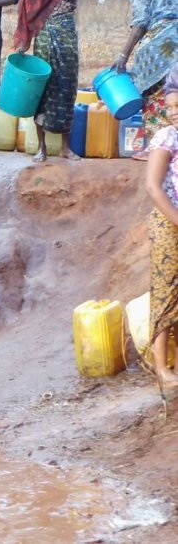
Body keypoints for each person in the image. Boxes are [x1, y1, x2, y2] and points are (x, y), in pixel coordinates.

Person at [14, 0, 87, 163]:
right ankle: (42, 148)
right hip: (44, 36)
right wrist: (23, 42)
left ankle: (66, 148)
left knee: (66, 87)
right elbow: (27, 11)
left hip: (66, 37)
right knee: (43, 89)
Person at [115, 0, 178, 159]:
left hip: (159, 47)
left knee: (152, 95)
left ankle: (156, 149)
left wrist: (124, 54)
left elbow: (140, 24)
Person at [145, 87, 178, 410]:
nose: (174, 112)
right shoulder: (166, 138)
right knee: (166, 294)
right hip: (168, 223)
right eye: (170, 107)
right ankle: (162, 370)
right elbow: (154, 189)